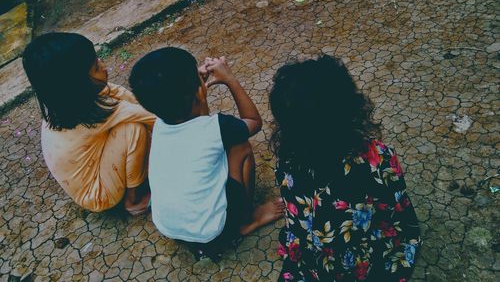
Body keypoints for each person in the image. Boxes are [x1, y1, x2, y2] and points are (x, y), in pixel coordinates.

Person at [270, 55, 421, 281]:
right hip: (356, 263)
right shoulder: (377, 159)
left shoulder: (287, 161)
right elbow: (395, 206)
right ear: (351, 109)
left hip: (313, 259)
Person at [129, 47, 284, 260]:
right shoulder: (218, 127)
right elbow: (254, 122)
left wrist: (193, 86)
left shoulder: (159, 123)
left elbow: (190, 112)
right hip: (212, 232)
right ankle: (247, 221)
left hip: (171, 229)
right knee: (241, 146)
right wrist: (229, 79)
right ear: (199, 92)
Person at [22, 32, 154, 214]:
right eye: (95, 67)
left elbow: (128, 102)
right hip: (99, 195)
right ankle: (134, 200)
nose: (103, 66)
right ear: (76, 84)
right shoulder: (94, 114)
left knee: (119, 101)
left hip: (93, 176)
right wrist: (188, 92)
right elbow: (155, 117)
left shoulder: (63, 106)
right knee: (133, 129)